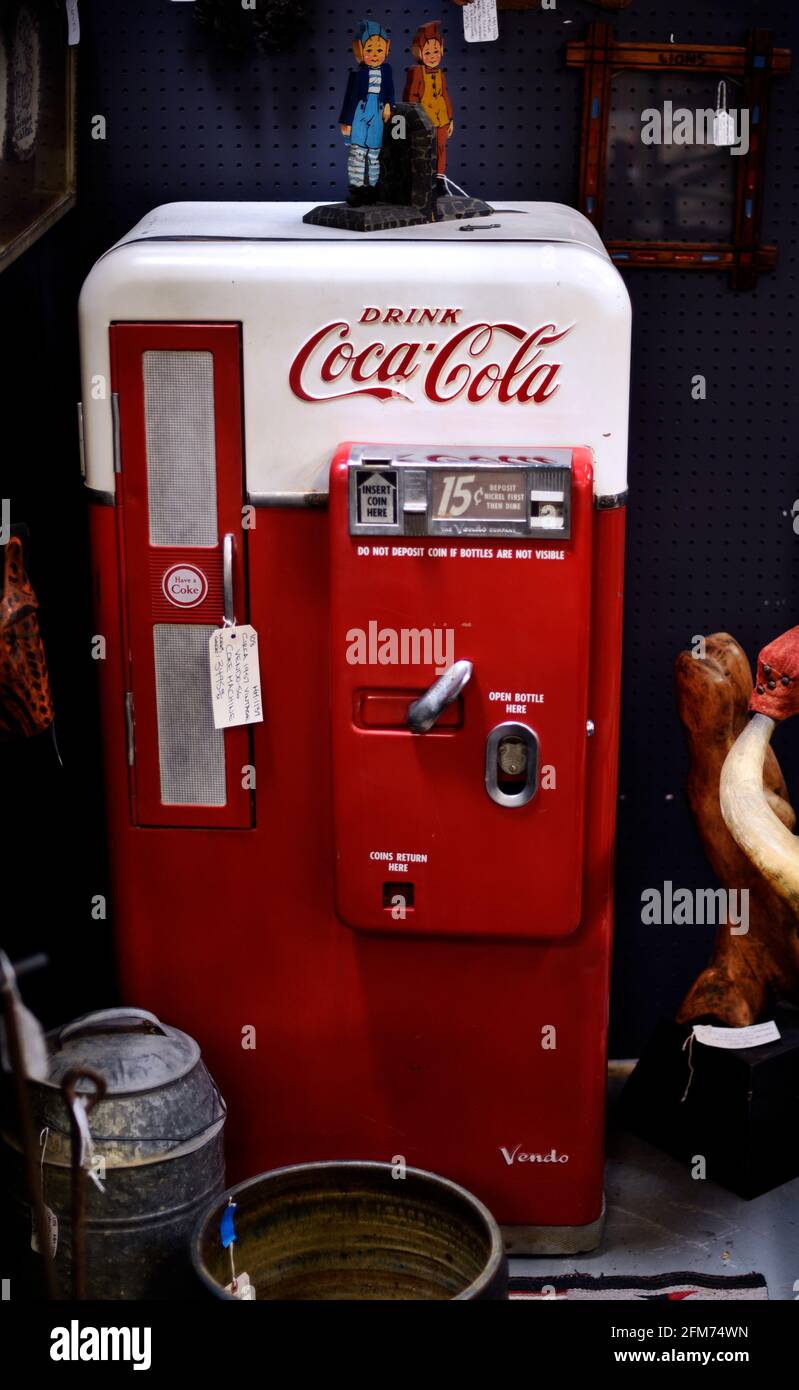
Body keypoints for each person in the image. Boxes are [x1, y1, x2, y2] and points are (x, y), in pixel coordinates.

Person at [339, 19, 395, 207]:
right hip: (360, 113)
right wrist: (346, 122)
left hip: (378, 113)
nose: (374, 55)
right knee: (357, 152)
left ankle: (372, 189)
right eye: (369, 50)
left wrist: (389, 105)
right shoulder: (358, 74)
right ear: (360, 50)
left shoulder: (387, 71)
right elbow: (350, 98)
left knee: (374, 153)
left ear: (387, 49)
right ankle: (357, 189)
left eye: (379, 50)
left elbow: (390, 92)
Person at [403, 20, 454, 197]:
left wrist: (451, 117)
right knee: (423, 150)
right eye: (427, 52)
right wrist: (413, 120)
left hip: (442, 119)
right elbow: (410, 97)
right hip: (424, 119)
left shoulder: (440, 73)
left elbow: (444, 94)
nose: (432, 56)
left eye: (435, 51)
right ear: (419, 52)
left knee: (441, 148)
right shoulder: (416, 72)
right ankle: (424, 180)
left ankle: (439, 180)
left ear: (441, 49)